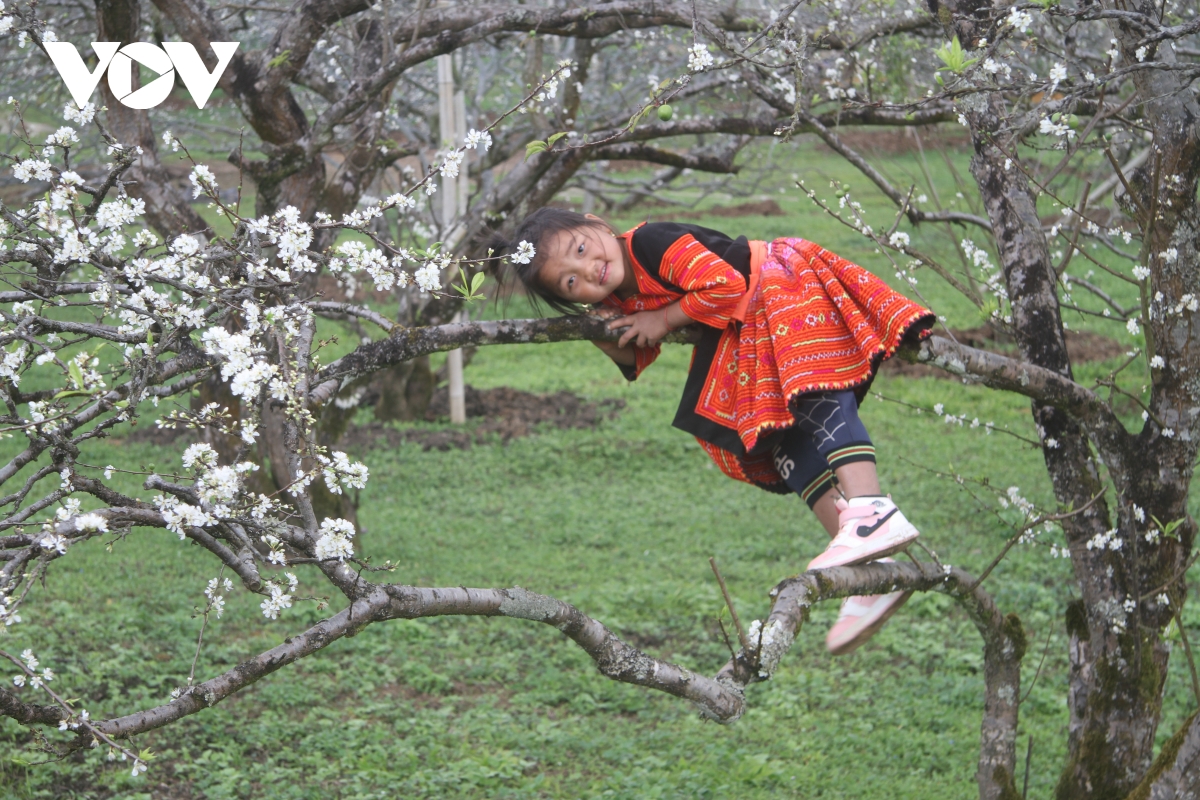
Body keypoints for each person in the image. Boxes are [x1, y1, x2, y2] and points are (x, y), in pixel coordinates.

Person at [497, 209, 935, 654]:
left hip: (776, 284)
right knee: (776, 441)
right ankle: (871, 570)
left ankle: (870, 508)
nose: (588, 269)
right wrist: (597, 329)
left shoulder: (650, 244)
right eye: (571, 282)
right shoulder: (618, 294)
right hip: (742, 326)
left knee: (814, 387)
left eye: (581, 249)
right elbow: (636, 354)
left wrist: (663, 319)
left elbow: (726, 285)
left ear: (595, 222)